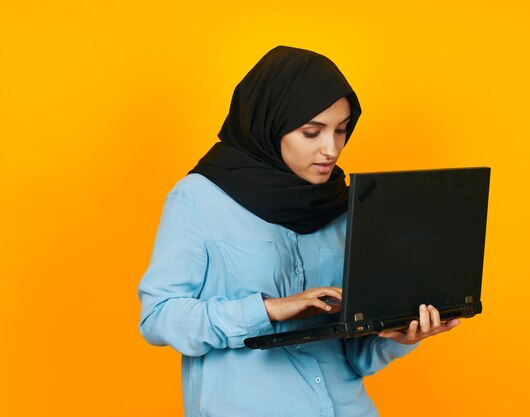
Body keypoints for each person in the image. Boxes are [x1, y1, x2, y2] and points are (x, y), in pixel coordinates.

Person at [138, 45, 460, 417]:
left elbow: (354, 357)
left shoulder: (343, 205)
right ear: (271, 124)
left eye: (341, 130)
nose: (331, 149)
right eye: (312, 132)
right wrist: (269, 310)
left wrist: (400, 337)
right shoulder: (199, 199)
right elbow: (158, 318)